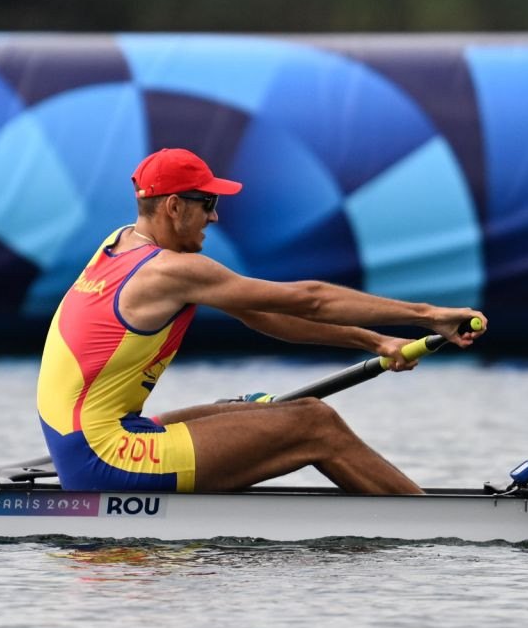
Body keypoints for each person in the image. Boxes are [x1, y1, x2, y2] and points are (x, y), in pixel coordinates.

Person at [37, 148, 485, 495]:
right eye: (208, 202)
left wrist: (376, 342)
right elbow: (309, 300)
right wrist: (429, 315)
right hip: (107, 458)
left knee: (257, 407)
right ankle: (436, 527)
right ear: (174, 206)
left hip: (85, 445)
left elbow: (263, 315)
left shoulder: (118, 244)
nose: (214, 215)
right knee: (314, 422)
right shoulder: (171, 270)